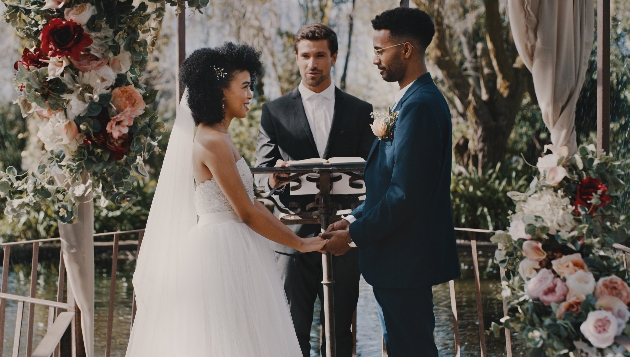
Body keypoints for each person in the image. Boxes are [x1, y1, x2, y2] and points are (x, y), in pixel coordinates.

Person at [126, 43, 326, 357]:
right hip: (222, 253)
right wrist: (301, 244)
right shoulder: (211, 141)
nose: (251, 95)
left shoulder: (221, 137)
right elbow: (246, 212)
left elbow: (251, 203)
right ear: (221, 90)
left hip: (237, 245)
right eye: (245, 87)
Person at [322, 8, 461, 356]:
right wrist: (354, 217)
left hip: (406, 261)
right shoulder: (412, 101)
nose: (374, 60)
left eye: (380, 51)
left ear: (406, 50)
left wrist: (353, 237)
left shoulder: (421, 107)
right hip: (400, 260)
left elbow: (405, 194)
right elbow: (389, 185)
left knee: (411, 350)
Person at [254, 23, 374, 357]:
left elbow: (374, 173)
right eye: (305, 56)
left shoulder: (361, 111)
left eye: (320, 55)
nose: (313, 64)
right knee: (292, 335)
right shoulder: (273, 112)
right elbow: (261, 174)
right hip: (292, 237)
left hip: (344, 236)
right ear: (296, 58)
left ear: (333, 57)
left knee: (340, 337)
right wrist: (274, 178)